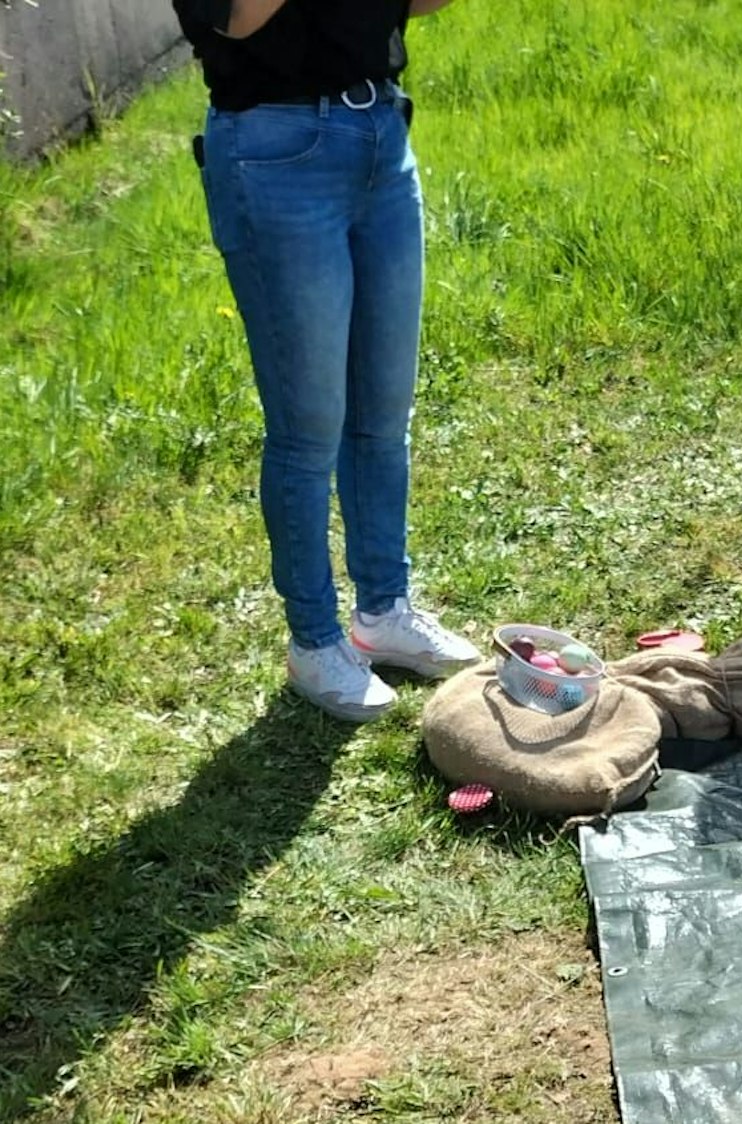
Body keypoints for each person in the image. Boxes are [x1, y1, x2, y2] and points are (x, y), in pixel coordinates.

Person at [174, 0, 480, 722]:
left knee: (382, 410)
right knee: (308, 426)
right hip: (272, 149)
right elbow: (236, 19)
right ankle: (314, 642)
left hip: (378, 133)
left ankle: (383, 610)